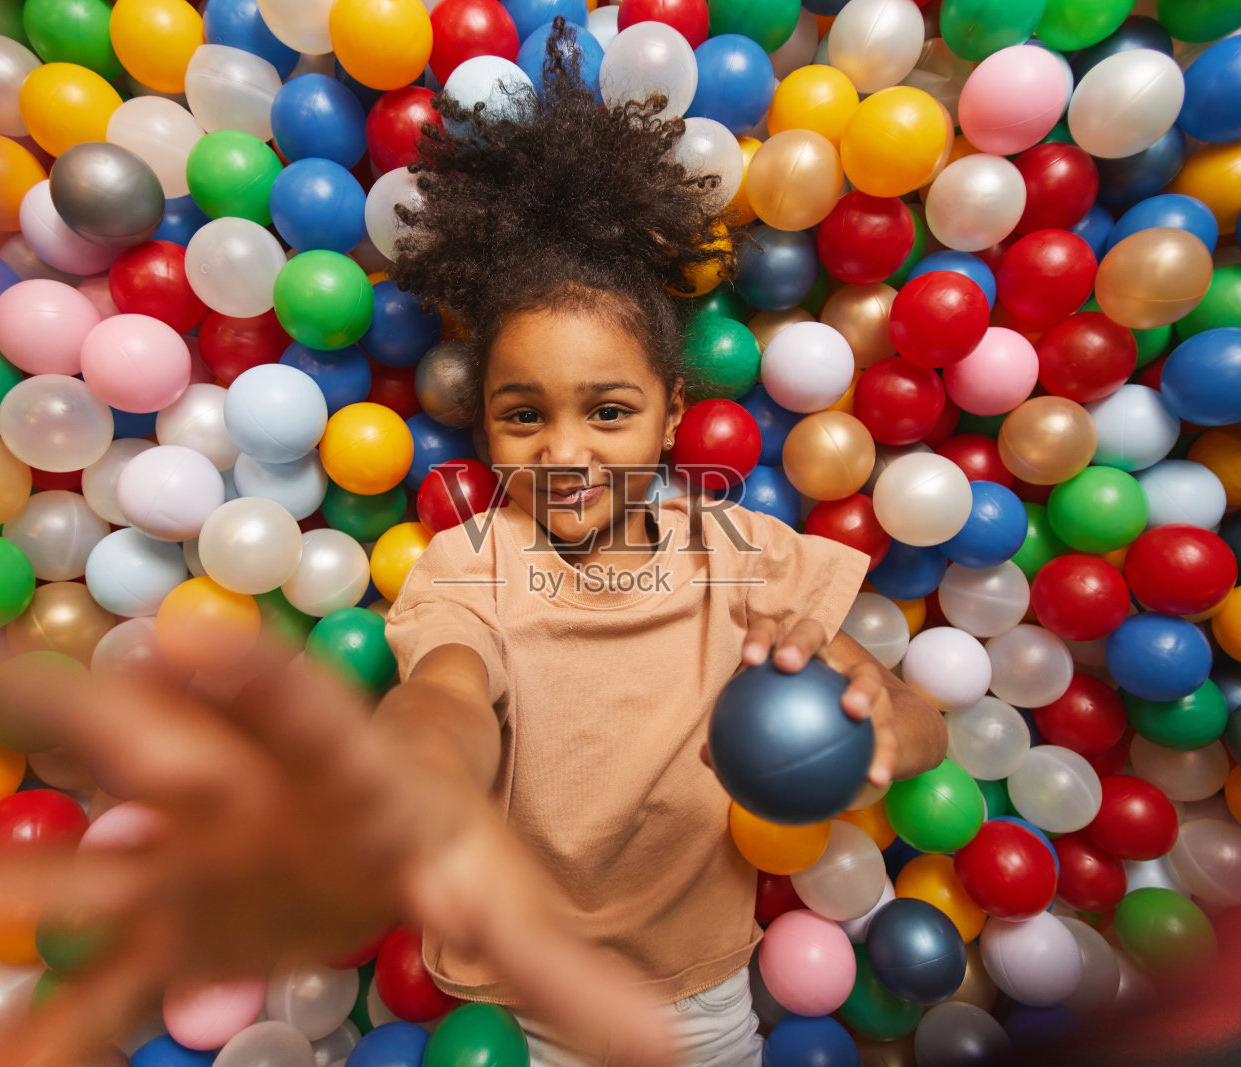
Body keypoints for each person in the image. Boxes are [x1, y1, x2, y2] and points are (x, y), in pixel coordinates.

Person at [373, 19, 947, 1065]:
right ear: (482, 426)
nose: (563, 451)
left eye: (607, 411)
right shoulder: (469, 563)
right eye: (521, 415)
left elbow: (913, 719)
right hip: (506, 1007)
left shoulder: (743, 555)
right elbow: (446, 690)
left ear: (671, 415)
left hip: (689, 999)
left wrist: (890, 718)